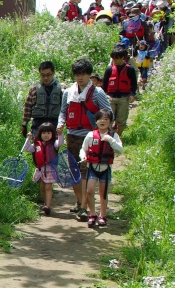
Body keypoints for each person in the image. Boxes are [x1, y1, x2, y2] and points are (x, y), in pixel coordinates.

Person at [57, 58, 112, 219]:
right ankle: (80, 202)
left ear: (89, 75)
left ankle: (85, 206)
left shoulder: (97, 93)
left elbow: (108, 112)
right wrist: (60, 124)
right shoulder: (68, 92)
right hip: (72, 136)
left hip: (90, 138)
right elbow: (63, 112)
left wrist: (103, 131)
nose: (80, 77)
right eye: (77, 74)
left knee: (86, 172)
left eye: (83, 74)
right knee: (74, 170)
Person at [80, 110, 123, 228]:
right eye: (100, 119)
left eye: (106, 119)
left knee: (103, 193)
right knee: (89, 190)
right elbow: (83, 149)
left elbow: (120, 149)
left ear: (110, 122)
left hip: (105, 168)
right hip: (92, 167)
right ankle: (92, 214)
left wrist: (110, 140)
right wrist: (83, 156)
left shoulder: (114, 136)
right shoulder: (90, 135)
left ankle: (102, 215)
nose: (103, 121)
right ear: (96, 121)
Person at [24, 122, 61, 216]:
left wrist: (60, 134)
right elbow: (26, 148)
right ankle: (46, 204)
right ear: (40, 134)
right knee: (42, 188)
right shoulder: (37, 145)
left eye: (49, 133)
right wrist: (28, 138)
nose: (46, 135)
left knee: (48, 187)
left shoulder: (54, 144)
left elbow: (61, 142)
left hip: (50, 168)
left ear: (52, 134)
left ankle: (48, 206)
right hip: (40, 169)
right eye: (44, 133)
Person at [101, 46, 137, 136]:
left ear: (122, 57)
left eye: (116, 59)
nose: (115, 61)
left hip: (124, 98)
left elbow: (134, 84)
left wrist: (132, 94)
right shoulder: (109, 69)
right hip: (111, 97)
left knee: (121, 119)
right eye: (113, 59)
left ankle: (118, 136)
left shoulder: (130, 69)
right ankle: (108, 136)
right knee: (108, 118)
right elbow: (104, 84)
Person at [22, 61, 62, 139]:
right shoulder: (34, 90)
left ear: (53, 73)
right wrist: (24, 124)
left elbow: (64, 109)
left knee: (52, 149)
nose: (45, 78)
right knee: (37, 149)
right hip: (37, 124)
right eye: (43, 75)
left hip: (54, 124)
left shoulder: (61, 90)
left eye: (48, 75)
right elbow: (27, 108)